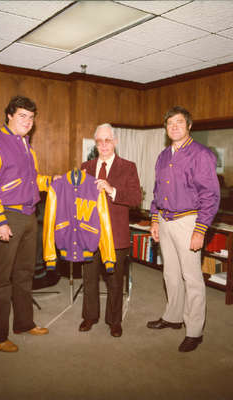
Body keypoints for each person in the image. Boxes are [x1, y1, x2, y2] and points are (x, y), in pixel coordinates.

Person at [0, 95, 52, 353]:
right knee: (1, 279)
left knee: (24, 274)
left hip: (30, 216)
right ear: (9, 115)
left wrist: (54, 182)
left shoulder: (28, 147)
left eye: (31, 118)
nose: (28, 122)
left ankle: (24, 323)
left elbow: (30, 180)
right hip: (6, 217)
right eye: (22, 116)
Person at [147, 106, 220, 352]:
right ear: (166, 129)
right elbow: (157, 192)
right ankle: (173, 317)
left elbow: (210, 196)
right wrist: (154, 220)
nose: (174, 127)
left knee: (192, 278)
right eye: (170, 124)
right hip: (165, 221)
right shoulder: (163, 156)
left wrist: (200, 230)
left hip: (189, 221)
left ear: (189, 125)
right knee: (170, 274)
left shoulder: (202, 155)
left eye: (179, 122)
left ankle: (194, 331)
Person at [79, 123, 141, 337]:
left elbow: (136, 199)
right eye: (99, 141)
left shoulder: (128, 167)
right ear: (95, 144)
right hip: (89, 233)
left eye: (107, 140)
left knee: (115, 280)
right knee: (89, 278)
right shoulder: (85, 167)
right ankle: (89, 317)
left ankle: (114, 321)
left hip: (116, 235)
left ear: (115, 142)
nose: (103, 145)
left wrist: (112, 190)